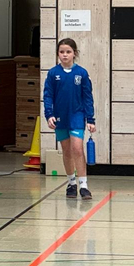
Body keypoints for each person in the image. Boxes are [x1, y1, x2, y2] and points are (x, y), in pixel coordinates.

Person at [44, 38, 96, 200]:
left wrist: (90, 118)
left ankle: (84, 185)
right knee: (66, 150)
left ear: (74, 53)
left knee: (77, 149)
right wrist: (49, 114)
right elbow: (48, 95)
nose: (65, 55)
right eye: (61, 52)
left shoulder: (82, 73)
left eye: (68, 52)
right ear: (58, 54)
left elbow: (87, 97)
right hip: (60, 116)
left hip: (77, 115)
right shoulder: (53, 73)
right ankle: (71, 183)